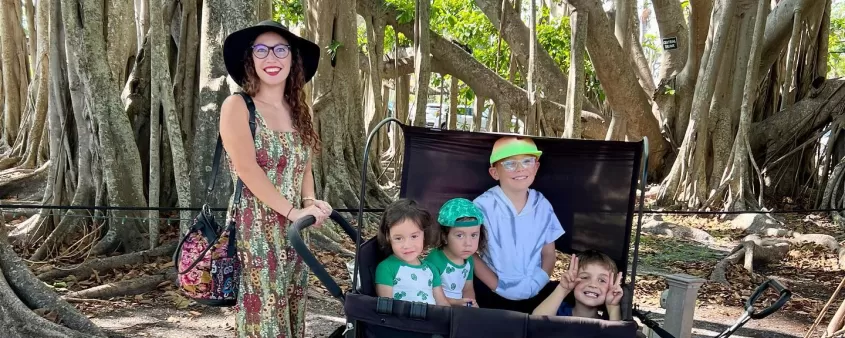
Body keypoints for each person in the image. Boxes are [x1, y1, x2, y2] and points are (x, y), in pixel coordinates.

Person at [219, 20, 330, 338]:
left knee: (293, 308)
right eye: (262, 50)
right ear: (250, 59)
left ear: (293, 59)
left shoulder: (298, 110)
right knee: (265, 317)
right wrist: (293, 211)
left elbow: (304, 166)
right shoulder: (238, 106)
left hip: (296, 232)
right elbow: (247, 169)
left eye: (281, 49)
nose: (272, 57)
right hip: (257, 231)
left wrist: (309, 203)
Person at [471, 135, 565, 313]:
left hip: (535, 292)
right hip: (490, 292)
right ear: (495, 172)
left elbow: (549, 253)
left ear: (536, 167)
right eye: (510, 164)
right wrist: (496, 284)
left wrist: (539, 281)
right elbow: (468, 252)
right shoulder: (482, 206)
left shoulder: (542, 205)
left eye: (527, 161)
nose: (520, 169)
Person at [374, 199, 450, 306]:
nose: (407, 245)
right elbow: (386, 309)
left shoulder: (431, 270)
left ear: (424, 234)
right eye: (399, 238)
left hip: (432, 321)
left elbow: (443, 304)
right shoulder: (386, 268)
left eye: (414, 236)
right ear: (388, 236)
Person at [424, 198, 487, 307]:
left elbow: (468, 289)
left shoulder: (469, 260)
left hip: (457, 312)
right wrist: (457, 303)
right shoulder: (435, 260)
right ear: (444, 236)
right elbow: (427, 293)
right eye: (459, 235)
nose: (468, 243)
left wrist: (470, 304)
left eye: (474, 235)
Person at [532, 250, 624, 320]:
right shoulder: (557, 310)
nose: (593, 284)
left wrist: (613, 307)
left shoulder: (607, 323)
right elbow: (535, 323)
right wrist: (563, 289)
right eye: (585, 277)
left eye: (602, 280)